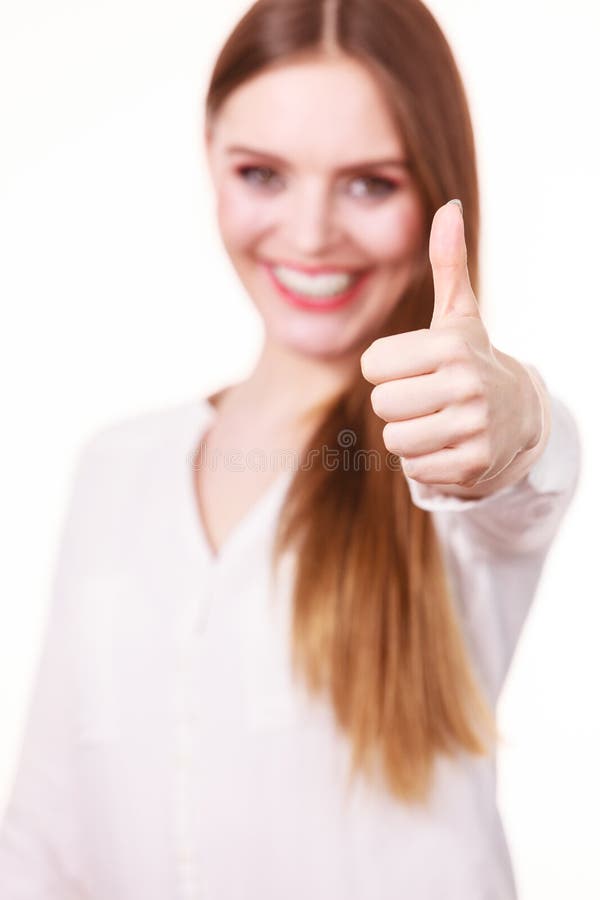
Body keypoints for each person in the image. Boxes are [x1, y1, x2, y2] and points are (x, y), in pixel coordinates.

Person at [0, 0, 582, 897]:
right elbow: (43, 837)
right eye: (263, 173)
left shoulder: (437, 452)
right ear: (212, 162)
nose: (310, 234)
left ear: (434, 187)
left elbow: (515, 477)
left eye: (369, 183)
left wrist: (516, 421)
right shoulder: (114, 469)